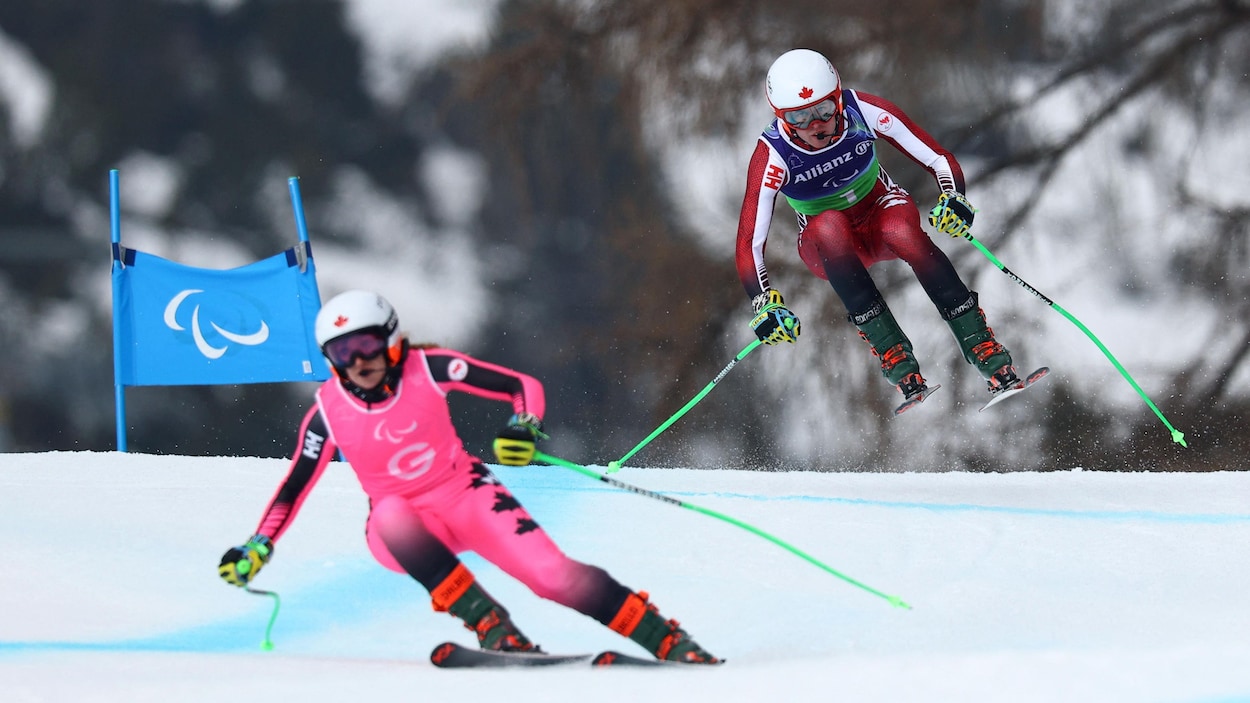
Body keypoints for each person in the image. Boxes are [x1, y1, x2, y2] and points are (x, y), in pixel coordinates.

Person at [217, 289, 718, 664]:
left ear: (390, 341)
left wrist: (524, 426)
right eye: (342, 353)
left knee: (553, 577)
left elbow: (521, 386)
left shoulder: (429, 368)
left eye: (367, 345)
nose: (359, 361)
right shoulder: (328, 412)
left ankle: (669, 641)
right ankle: (493, 627)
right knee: (389, 512)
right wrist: (258, 544)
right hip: (407, 530)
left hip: (468, 496)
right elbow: (294, 487)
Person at [738, 48, 1022, 414]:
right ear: (782, 118)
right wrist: (762, 302)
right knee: (829, 225)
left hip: (879, 214)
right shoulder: (773, 154)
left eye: (825, 109)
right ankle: (894, 355)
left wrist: (953, 196)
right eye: (800, 117)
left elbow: (937, 157)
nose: (817, 124)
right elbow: (749, 239)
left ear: (838, 97)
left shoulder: (863, 110)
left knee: (901, 229)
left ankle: (986, 351)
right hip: (830, 247)